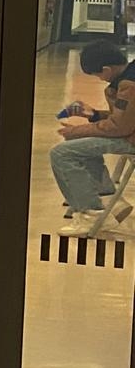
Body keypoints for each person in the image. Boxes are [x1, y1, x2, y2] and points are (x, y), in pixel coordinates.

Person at [50, 38, 135, 234]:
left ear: (105, 70)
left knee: (62, 153)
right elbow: (125, 119)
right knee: (80, 146)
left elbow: (118, 128)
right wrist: (94, 115)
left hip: (130, 139)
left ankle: (91, 214)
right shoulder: (127, 77)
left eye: (97, 75)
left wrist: (75, 131)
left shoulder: (128, 85)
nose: (100, 79)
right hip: (129, 134)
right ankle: (109, 199)